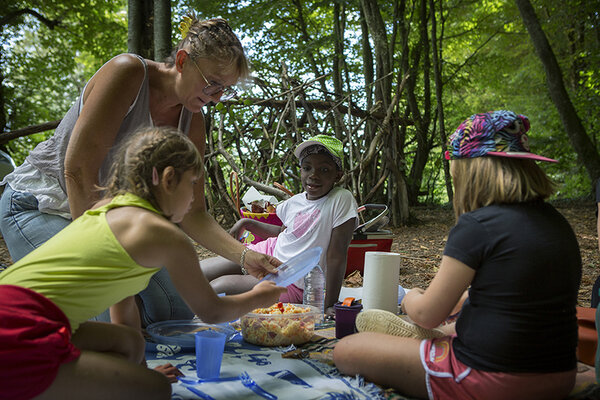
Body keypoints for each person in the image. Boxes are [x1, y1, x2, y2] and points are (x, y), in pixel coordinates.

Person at [0, 14, 280, 326]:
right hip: (42, 204)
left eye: (225, 89)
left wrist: (246, 256)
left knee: (175, 314)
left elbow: (194, 213)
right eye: (213, 83)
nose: (216, 97)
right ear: (184, 61)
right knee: (107, 316)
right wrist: (104, 257)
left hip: (112, 223)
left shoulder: (192, 119)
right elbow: (77, 170)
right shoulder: (128, 72)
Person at [0, 127, 286, 400]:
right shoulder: (163, 235)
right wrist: (258, 296)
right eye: (193, 184)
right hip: (20, 332)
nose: (193, 198)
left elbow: (123, 312)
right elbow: (211, 311)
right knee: (155, 391)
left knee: (131, 342)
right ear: (169, 178)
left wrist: (136, 374)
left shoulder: (108, 208)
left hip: (17, 312)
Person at [333, 110, 582, 400]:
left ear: (469, 172)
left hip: (490, 379)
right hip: (560, 376)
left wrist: (411, 296)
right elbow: (510, 292)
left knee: (347, 350)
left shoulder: (477, 225)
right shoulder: (556, 222)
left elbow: (427, 315)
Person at [201, 135, 358, 317]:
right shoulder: (295, 202)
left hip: (290, 279)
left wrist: (330, 304)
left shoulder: (340, 199)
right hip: (266, 252)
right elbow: (281, 232)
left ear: (338, 175)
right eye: (307, 168)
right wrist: (248, 222)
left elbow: (337, 255)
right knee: (200, 272)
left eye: (324, 169)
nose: (313, 175)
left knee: (218, 288)